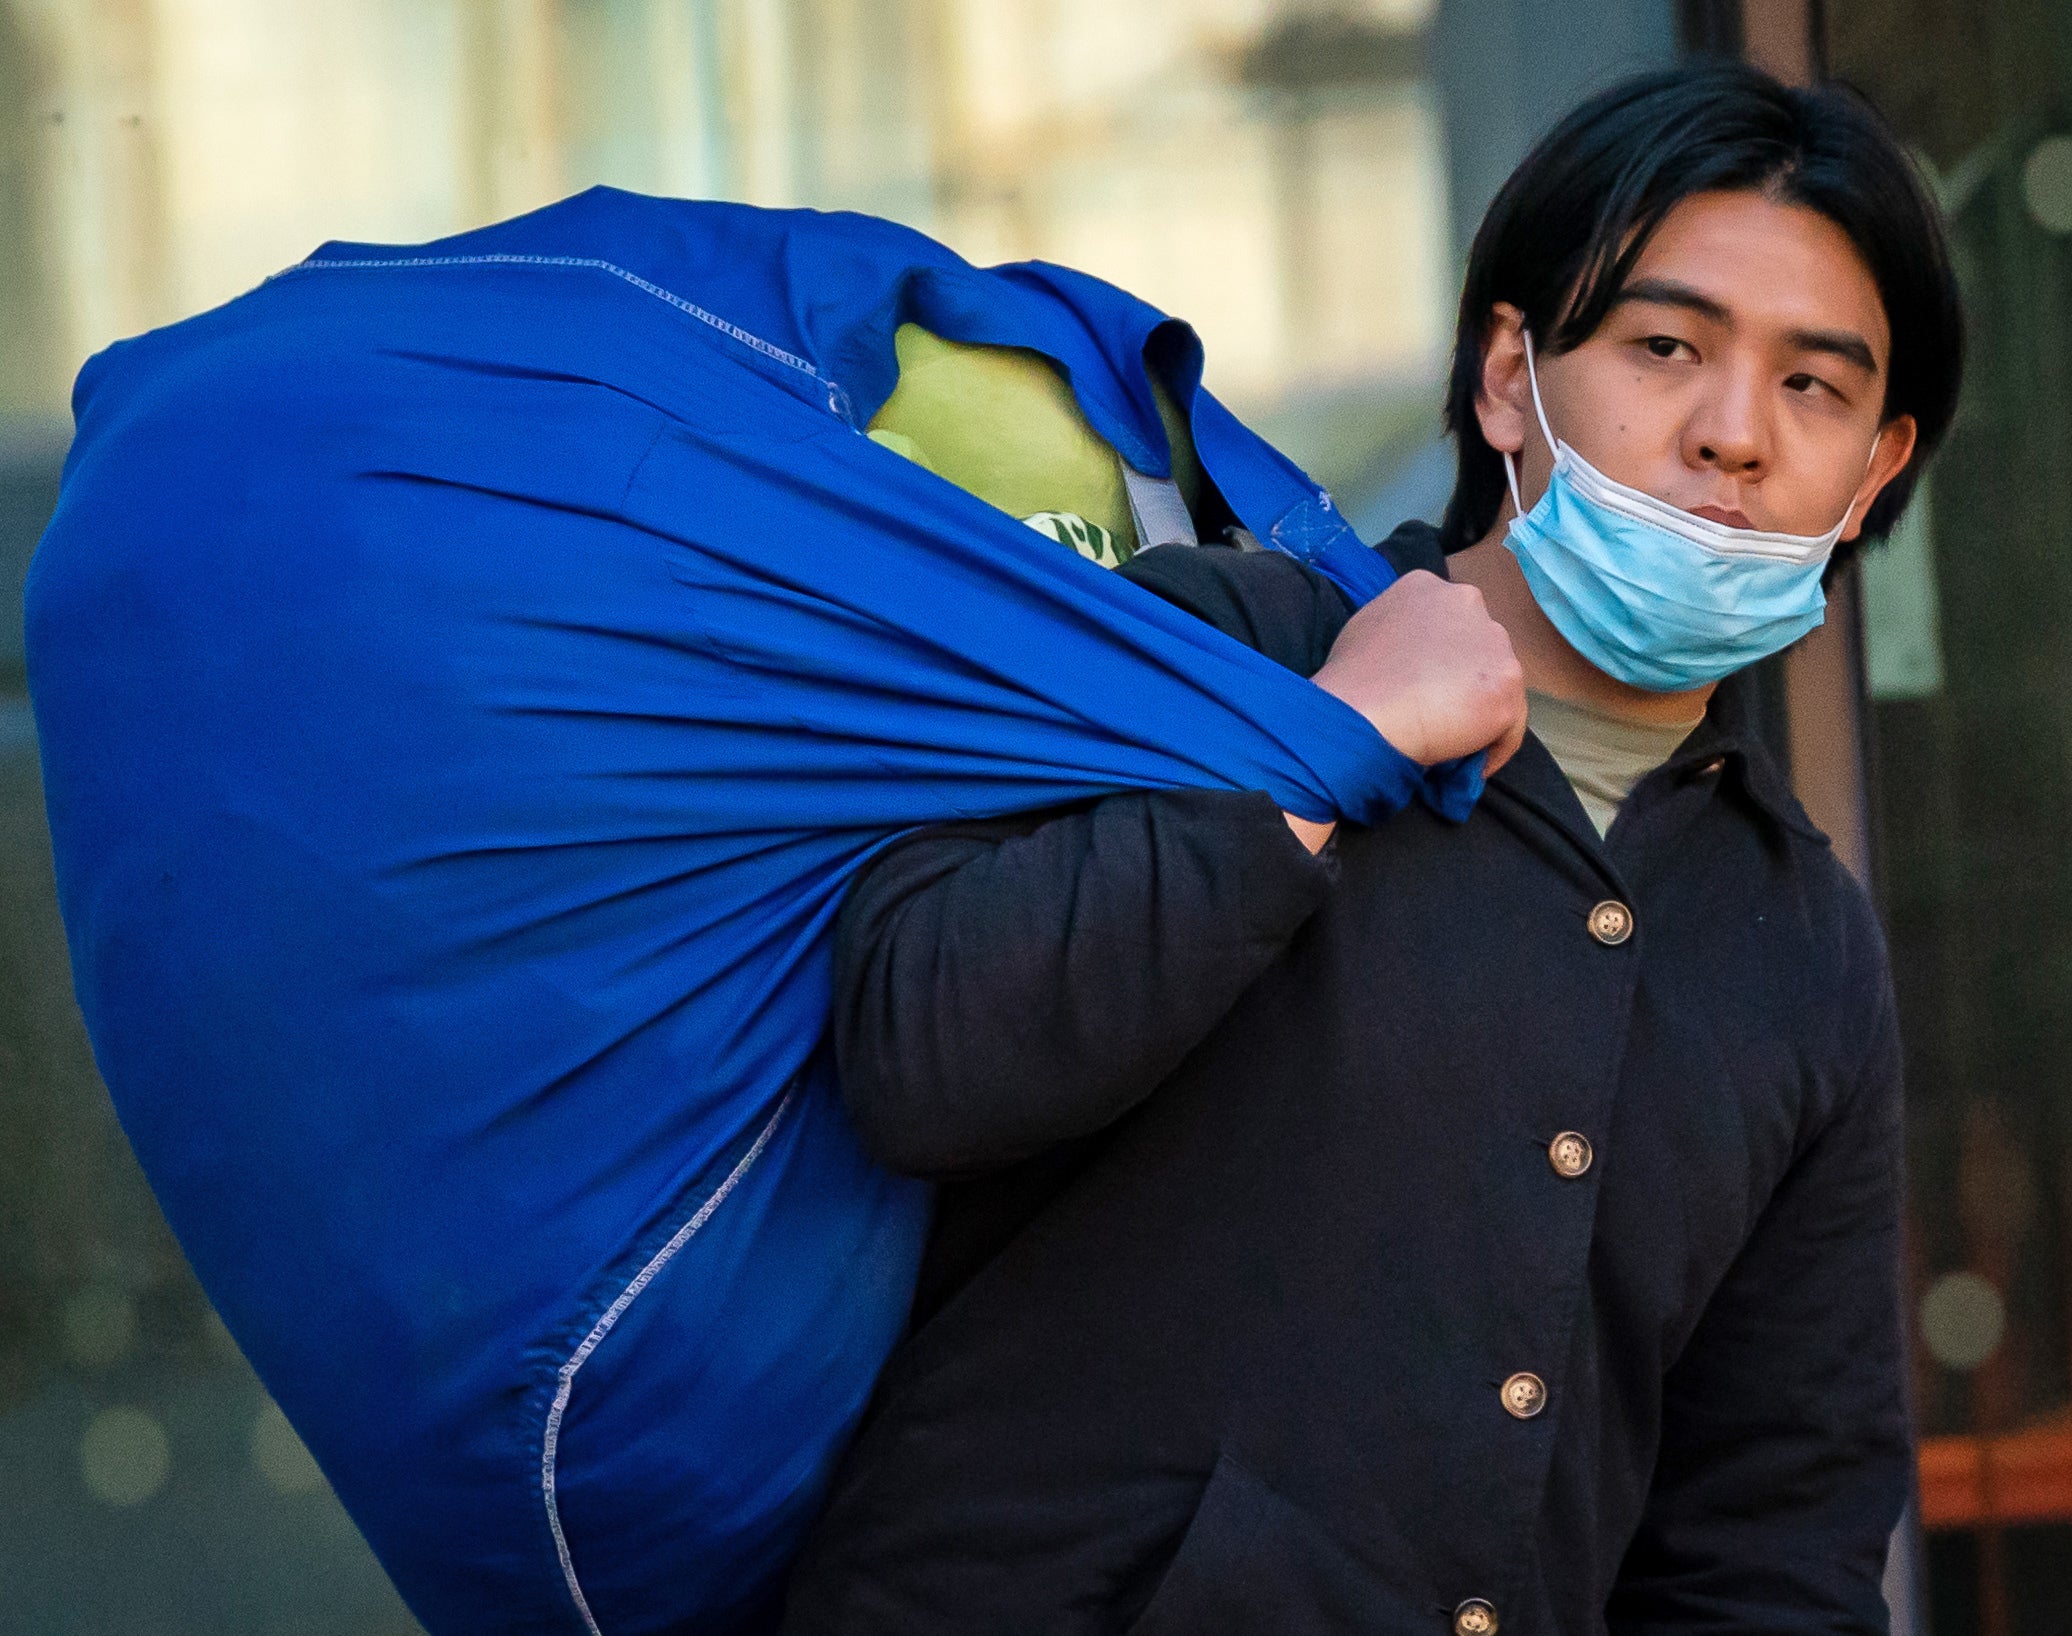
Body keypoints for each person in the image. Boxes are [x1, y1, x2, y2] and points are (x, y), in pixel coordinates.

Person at [787, 60, 1964, 1635]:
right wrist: (1336, 741)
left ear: (1876, 466)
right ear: (1506, 381)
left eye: (1815, 387)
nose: (1734, 434)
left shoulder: (1799, 935)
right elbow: (927, 1043)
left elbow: (1775, 1531)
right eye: (1665, 347)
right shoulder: (1235, 644)